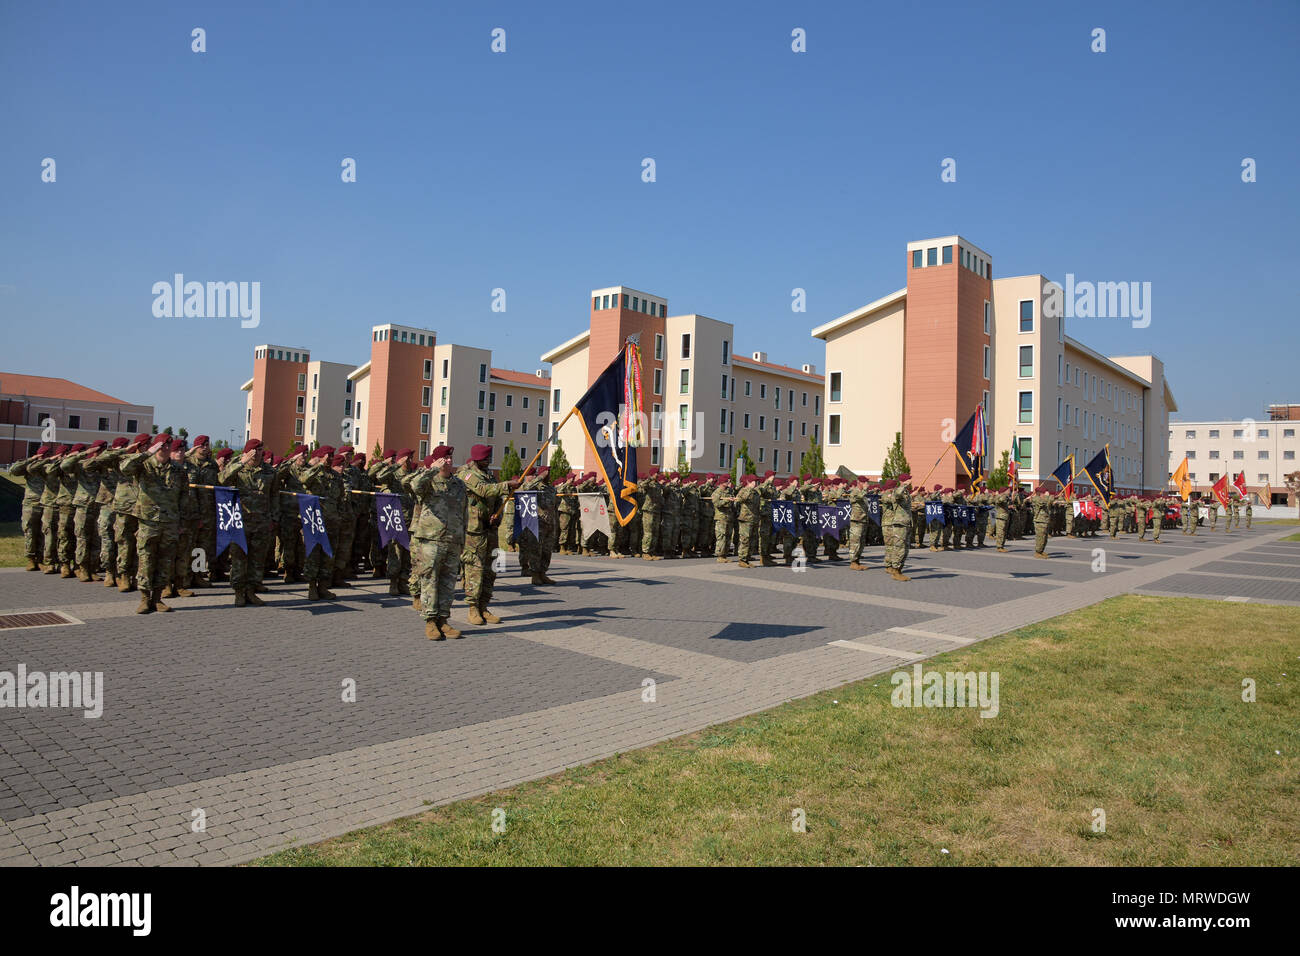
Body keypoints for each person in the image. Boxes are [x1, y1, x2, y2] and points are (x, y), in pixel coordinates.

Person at [120, 435, 188, 612]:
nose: (164, 448)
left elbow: (183, 496)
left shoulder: (178, 470)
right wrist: (146, 453)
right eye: (161, 445)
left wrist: (181, 521)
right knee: (146, 559)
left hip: (170, 521)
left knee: (165, 560)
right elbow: (125, 468)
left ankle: (158, 598)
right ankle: (144, 598)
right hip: (148, 520)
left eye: (167, 445)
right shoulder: (144, 465)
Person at [458, 444, 522, 625]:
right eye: (485, 459)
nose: (488, 462)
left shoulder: (490, 476)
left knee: (491, 569)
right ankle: (473, 608)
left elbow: (497, 500)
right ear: (477, 459)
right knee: (474, 570)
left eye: (489, 459)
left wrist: (498, 515)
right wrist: (506, 484)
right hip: (474, 531)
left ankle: (484, 606)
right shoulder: (467, 474)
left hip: (491, 529)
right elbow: (482, 490)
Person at [408, 445, 466, 640]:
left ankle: (443, 619)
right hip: (431, 539)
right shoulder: (428, 481)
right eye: (445, 458)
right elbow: (414, 486)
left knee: (448, 583)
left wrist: (462, 538)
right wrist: (432, 468)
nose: (449, 461)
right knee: (429, 581)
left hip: (453, 539)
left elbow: (463, 511)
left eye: (450, 457)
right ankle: (430, 621)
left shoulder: (458, 484)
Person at [219, 438, 279, 607]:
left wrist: (274, 518)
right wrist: (241, 462)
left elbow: (274, 495)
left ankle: (251, 591)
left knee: (257, 559)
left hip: (261, 522)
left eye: (260, 450)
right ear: (247, 452)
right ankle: (239, 592)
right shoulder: (238, 468)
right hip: (240, 522)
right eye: (254, 450)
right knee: (239, 558)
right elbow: (222, 479)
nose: (258, 453)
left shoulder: (269, 472)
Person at [9, 445, 51, 571]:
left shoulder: (48, 468)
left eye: (47, 455)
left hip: (45, 504)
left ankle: (40, 559)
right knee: (30, 531)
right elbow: (14, 470)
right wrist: (32, 459)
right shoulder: (29, 467)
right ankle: (31, 559)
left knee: (43, 533)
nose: (44, 458)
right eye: (42, 456)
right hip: (31, 504)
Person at [881, 474, 912, 581]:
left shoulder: (904, 492)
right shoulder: (896, 491)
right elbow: (897, 494)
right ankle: (895, 570)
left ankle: (898, 569)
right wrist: (903, 485)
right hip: (898, 523)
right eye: (908, 479)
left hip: (905, 522)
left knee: (904, 548)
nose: (910, 480)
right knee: (898, 547)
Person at [735, 474, 761, 568]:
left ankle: (747, 558)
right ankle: (742, 559)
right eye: (754, 481)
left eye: (756, 482)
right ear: (749, 482)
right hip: (745, 519)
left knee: (752, 540)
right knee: (745, 540)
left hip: (754, 519)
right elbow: (740, 500)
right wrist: (749, 489)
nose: (755, 483)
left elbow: (758, 505)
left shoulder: (756, 492)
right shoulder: (743, 490)